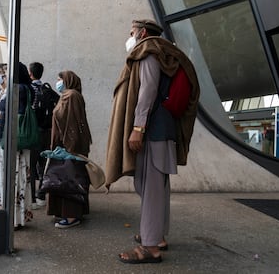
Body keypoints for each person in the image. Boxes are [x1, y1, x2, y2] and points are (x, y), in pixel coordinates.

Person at [106, 19, 199, 263]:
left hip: (152, 130)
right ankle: (156, 237)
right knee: (157, 188)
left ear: (143, 32)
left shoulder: (149, 52)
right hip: (163, 128)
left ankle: (150, 248)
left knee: (150, 188)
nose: (130, 37)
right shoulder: (166, 53)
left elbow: (147, 90)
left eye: (132, 32)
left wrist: (138, 127)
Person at [47, 70, 92, 229]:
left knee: (69, 180)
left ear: (68, 80)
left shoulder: (71, 96)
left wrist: (70, 148)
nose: (57, 81)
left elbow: (72, 123)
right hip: (64, 145)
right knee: (65, 179)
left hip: (69, 146)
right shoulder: (67, 96)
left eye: (60, 79)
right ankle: (65, 212)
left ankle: (72, 216)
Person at [28, 62, 60, 207]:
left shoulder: (30, 89)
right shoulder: (48, 90)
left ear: (30, 73)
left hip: (33, 132)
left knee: (31, 164)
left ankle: (32, 199)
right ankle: (41, 195)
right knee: (43, 164)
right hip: (47, 132)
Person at [14, 62, 35, 230]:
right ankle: (21, 215)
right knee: (23, 176)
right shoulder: (30, 89)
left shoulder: (17, 89)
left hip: (15, 137)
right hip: (25, 137)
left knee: (14, 176)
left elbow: (6, 110)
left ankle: (13, 217)